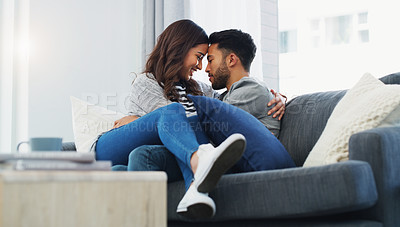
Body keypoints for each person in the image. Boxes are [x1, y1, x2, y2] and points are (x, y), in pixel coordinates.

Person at [124, 29, 293, 218]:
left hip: (233, 162)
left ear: (231, 60)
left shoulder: (249, 89)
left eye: (209, 59)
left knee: (144, 154)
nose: (204, 68)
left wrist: (139, 122)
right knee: (130, 162)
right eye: (201, 58)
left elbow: (195, 122)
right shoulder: (225, 95)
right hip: (214, 154)